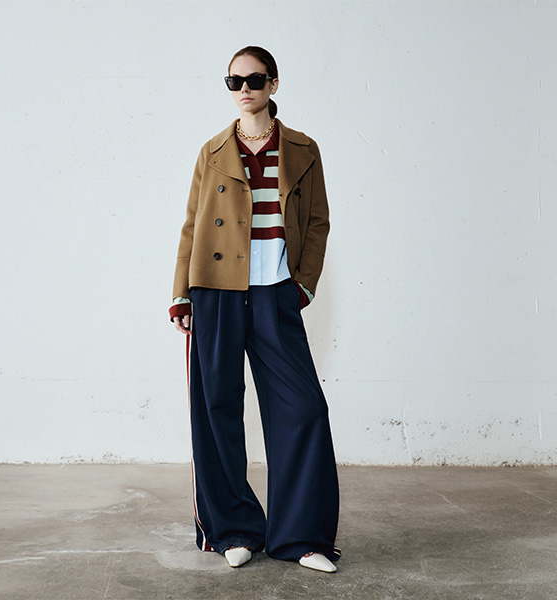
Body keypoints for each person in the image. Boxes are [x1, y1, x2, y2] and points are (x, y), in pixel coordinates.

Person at [169, 46, 341, 573]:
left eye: (255, 79)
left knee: (303, 409)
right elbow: (193, 224)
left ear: (274, 84)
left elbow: (317, 223)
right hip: (216, 292)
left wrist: (302, 286)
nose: (244, 89)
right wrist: (181, 293)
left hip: (275, 292)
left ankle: (302, 537)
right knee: (216, 409)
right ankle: (233, 529)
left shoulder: (303, 149)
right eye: (234, 81)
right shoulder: (212, 151)